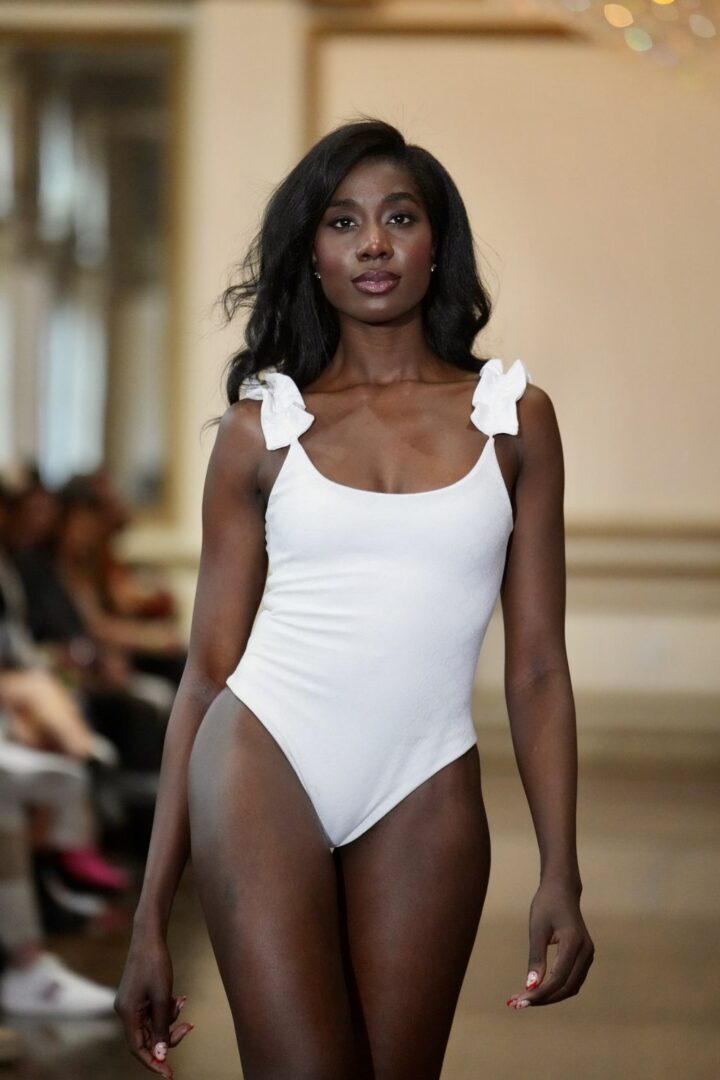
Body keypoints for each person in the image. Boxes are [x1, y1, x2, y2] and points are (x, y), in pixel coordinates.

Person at [114, 117, 594, 1079]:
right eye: (342, 222)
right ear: (314, 254)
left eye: (399, 218)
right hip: (263, 758)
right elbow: (206, 672)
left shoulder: (513, 419)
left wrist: (562, 871)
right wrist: (150, 917)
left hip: (428, 776)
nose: (373, 242)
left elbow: (538, 666)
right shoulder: (262, 429)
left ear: (436, 246)